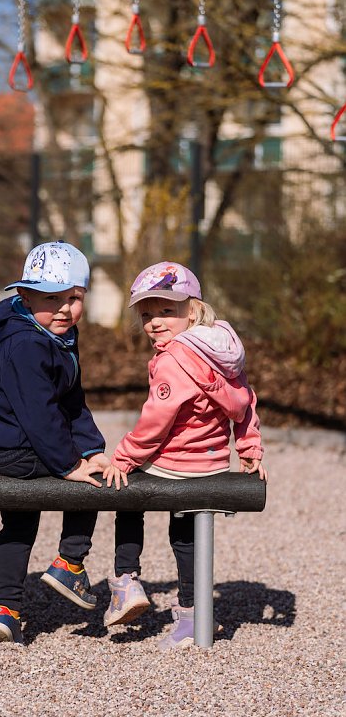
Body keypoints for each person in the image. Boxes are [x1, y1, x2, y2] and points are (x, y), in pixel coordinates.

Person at [103, 260, 267, 649]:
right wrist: (249, 448)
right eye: (147, 315)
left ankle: (125, 580)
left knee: (125, 495)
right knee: (185, 534)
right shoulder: (223, 349)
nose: (155, 322)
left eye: (166, 311)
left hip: (174, 463)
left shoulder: (173, 359)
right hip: (210, 463)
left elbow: (156, 421)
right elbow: (245, 403)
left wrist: (124, 457)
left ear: (191, 310)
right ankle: (194, 614)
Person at [0, 240, 109, 645]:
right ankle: (70, 561)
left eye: (74, 298)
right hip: (11, 449)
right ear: (26, 296)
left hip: (16, 444)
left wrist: (92, 448)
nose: (65, 308)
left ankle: (5, 609)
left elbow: (71, 400)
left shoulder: (56, 333)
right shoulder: (27, 344)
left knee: (20, 521)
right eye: (52, 298)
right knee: (92, 482)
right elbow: (40, 414)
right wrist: (71, 464)